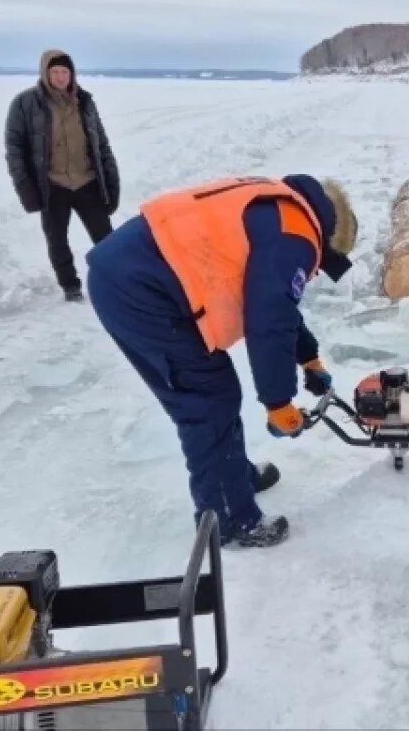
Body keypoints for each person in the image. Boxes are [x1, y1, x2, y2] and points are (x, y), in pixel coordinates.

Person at [84, 174, 358, 548]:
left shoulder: (282, 210)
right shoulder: (297, 236)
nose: (313, 274)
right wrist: (278, 402)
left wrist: (308, 357)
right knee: (208, 399)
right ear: (328, 240)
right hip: (142, 290)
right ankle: (229, 518)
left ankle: (233, 480)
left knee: (215, 391)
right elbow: (269, 317)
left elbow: (277, 303)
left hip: (134, 274)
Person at [4, 49, 120, 302]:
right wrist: (25, 186)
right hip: (52, 185)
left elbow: (101, 145)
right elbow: (14, 149)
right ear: (45, 73)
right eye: (54, 72)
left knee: (107, 240)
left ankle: (117, 281)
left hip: (86, 181)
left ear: (72, 73)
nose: (59, 77)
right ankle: (71, 286)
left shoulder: (85, 102)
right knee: (57, 240)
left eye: (64, 71)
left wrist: (112, 182)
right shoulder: (25, 103)